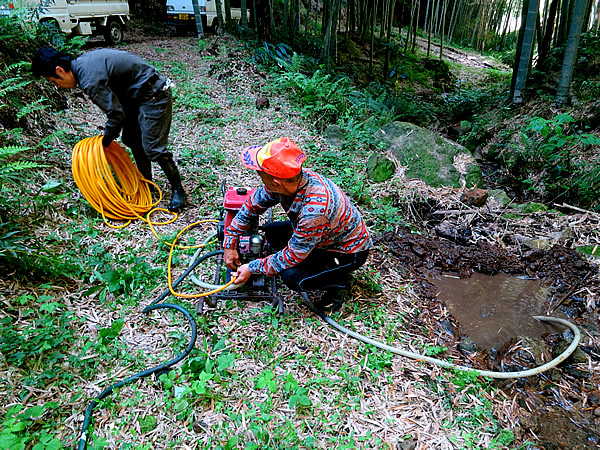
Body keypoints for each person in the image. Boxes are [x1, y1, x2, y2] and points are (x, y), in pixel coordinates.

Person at [223, 137, 372, 312]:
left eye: (260, 174)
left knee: (292, 276)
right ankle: (317, 262)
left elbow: (293, 255)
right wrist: (230, 243)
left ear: (275, 182)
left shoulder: (316, 209)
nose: (259, 178)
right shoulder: (289, 179)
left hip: (347, 251)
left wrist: (252, 268)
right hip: (320, 237)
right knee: (272, 232)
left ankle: (340, 282)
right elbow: (251, 206)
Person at [31, 47, 186, 212]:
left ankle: (178, 190)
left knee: (153, 148)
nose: (58, 87)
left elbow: (116, 115)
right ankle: (147, 184)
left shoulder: (88, 79)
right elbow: (118, 109)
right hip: (135, 96)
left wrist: (104, 141)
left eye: (54, 81)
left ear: (59, 70)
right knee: (132, 139)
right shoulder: (82, 65)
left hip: (154, 94)